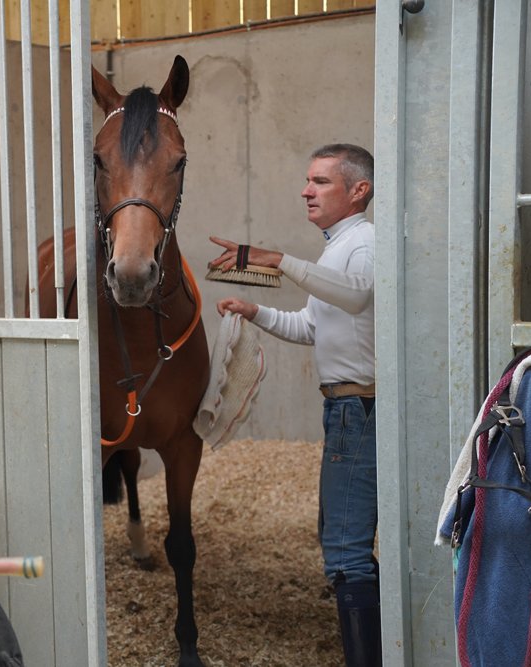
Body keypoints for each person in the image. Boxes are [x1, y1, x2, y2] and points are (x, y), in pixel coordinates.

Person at [208, 143, 379, 667]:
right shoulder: (337, 247)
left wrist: (279, 260)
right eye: (308, 180)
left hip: (359, 411)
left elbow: (356, 294)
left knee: (346, 553)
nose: (306, 191)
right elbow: (311, 326)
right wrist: (254, 310)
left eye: (321, 181)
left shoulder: (365, 242)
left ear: (359, 190)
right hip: (347, 412)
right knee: (343, 542)